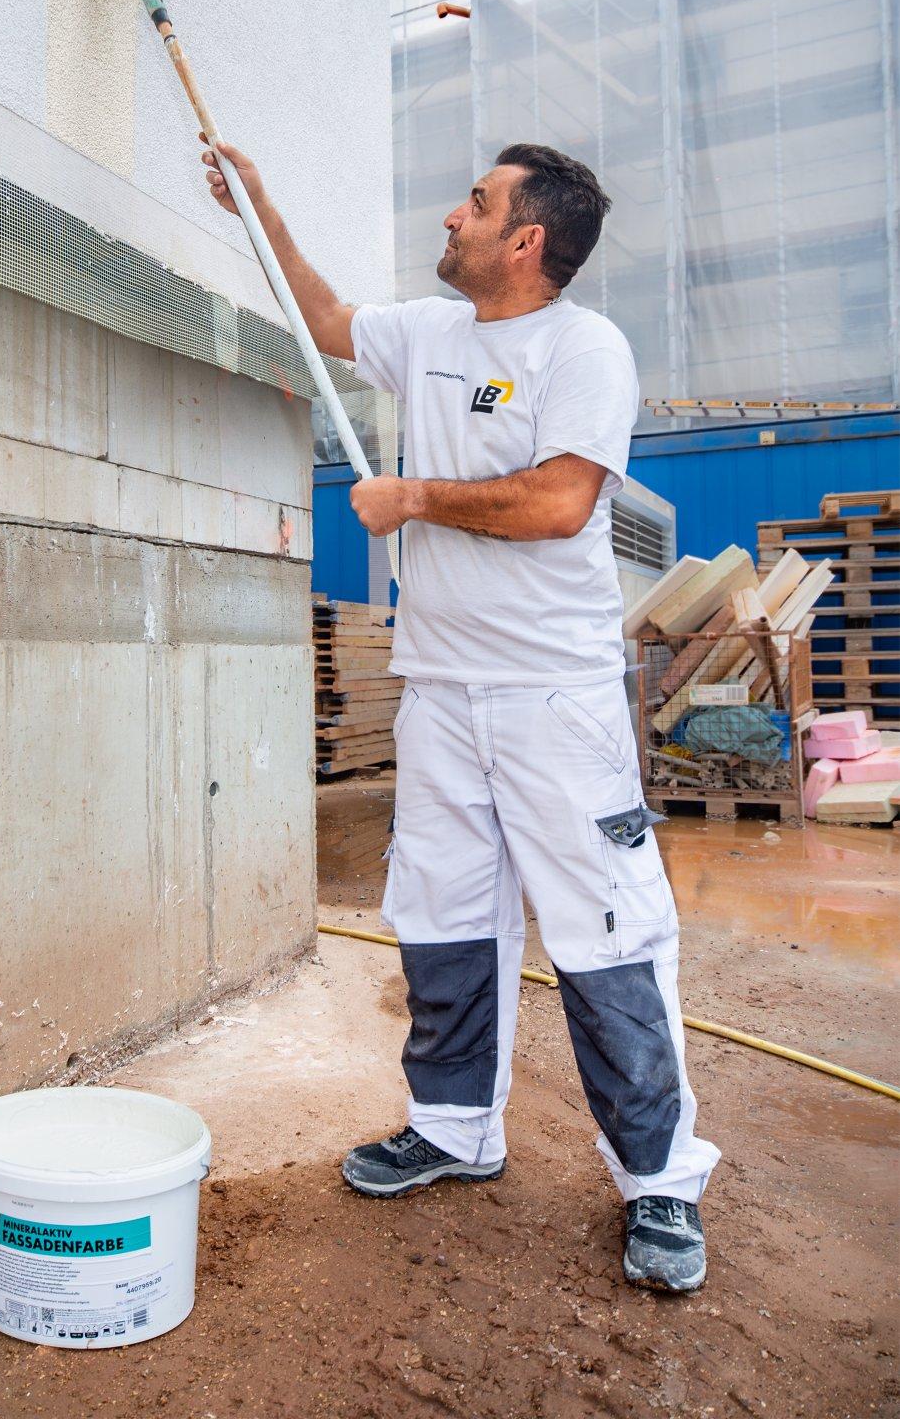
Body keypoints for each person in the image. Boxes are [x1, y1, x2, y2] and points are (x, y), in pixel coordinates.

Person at [201, 135, 719, 1293]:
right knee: (438, 911)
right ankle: (450, 1128)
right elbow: (324, 314)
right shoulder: (427, 336)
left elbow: (556, 502)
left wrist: (415, 498)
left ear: (524, 241)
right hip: (440, 691)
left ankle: (659, 1182)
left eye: (474, 204)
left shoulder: (583, 349)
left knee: (603, 930)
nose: (451, 214)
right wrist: (260, 201)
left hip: (552, 698)